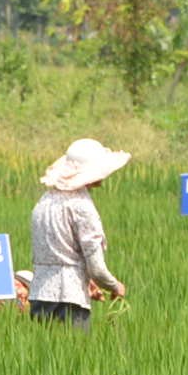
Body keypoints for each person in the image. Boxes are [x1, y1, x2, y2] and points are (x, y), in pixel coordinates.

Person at [29, 137, 128, 327]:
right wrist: (115, 286)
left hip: (38, 296)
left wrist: (86, 280)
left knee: (45, 354)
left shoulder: (44, 201)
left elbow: (58, 255)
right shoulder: (82, 207)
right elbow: (96, 268)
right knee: (73, 353)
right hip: (70, 301)